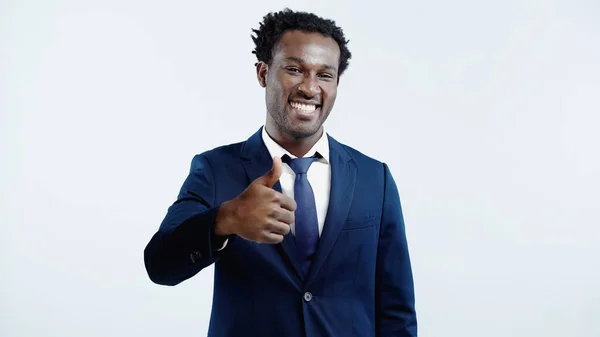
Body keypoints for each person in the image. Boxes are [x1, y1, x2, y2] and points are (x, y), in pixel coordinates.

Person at [144, 8, 417, 337]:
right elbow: (160, 264)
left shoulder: (376, 179)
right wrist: (225, 220)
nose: (310, 87)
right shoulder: (216, 169)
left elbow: (396, 310)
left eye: (324, 74)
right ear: (263, 73)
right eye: (294, 69)